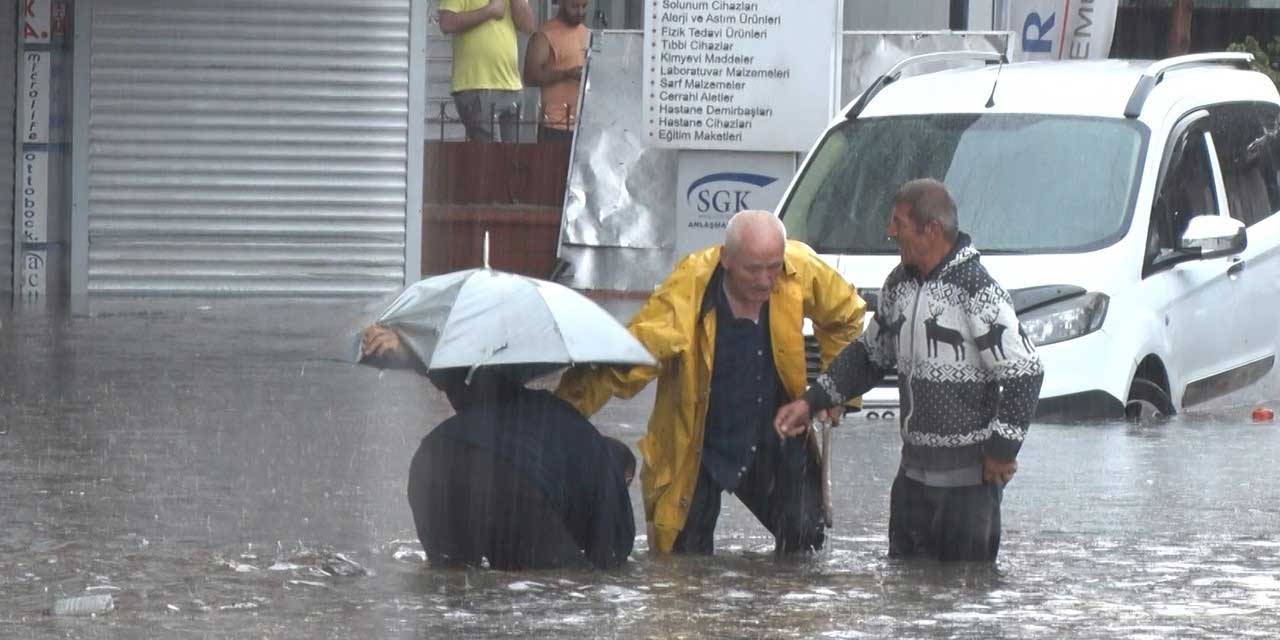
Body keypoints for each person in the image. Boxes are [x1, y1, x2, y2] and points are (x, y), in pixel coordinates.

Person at [555, 210, 866, 555]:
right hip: (699, 446)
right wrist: (558, 415)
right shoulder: (687, 291)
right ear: (726, 259)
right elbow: (625, 361)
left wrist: (834, 392)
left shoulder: (800, 267)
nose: (765, 280)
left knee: (806, 545)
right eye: (753, 269)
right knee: (683, 565)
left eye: (773, 267)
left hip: (775, 436)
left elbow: (847, 315)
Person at [774, 178, 1043, 563]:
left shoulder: (977, 290)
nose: (890, 231)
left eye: (898, 222)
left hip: (968, 491)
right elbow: (870, 356)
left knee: (966, 606)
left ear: (931, 230)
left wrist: (1001, 452)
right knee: (905, 601)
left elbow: (1026, 374)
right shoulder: (898, 285)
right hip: (912, 484)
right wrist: (814, 400)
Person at [361, 325, 636, 570]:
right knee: (553, 589)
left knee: (450, 582)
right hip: (514, 484)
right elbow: (614, 552)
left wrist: (410, 348)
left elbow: (464, 378)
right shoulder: (604, 470)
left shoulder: (526, 411)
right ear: (624, 476)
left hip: (434, 460)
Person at [438, 0, 535, 142]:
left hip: (511, 85)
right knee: (488, 157)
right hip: (476, 86)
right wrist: (488, 11)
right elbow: (447, 23)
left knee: (515, 158)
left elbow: (528, 26)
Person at [522, 0, 590, 144]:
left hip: (583, 123)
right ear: (562, 3)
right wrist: (567, 73)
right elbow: (530, 76)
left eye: (584, 6)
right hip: (555, 123)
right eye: (574, 6)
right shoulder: (544, 35)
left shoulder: (586, 33)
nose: (580, 12)